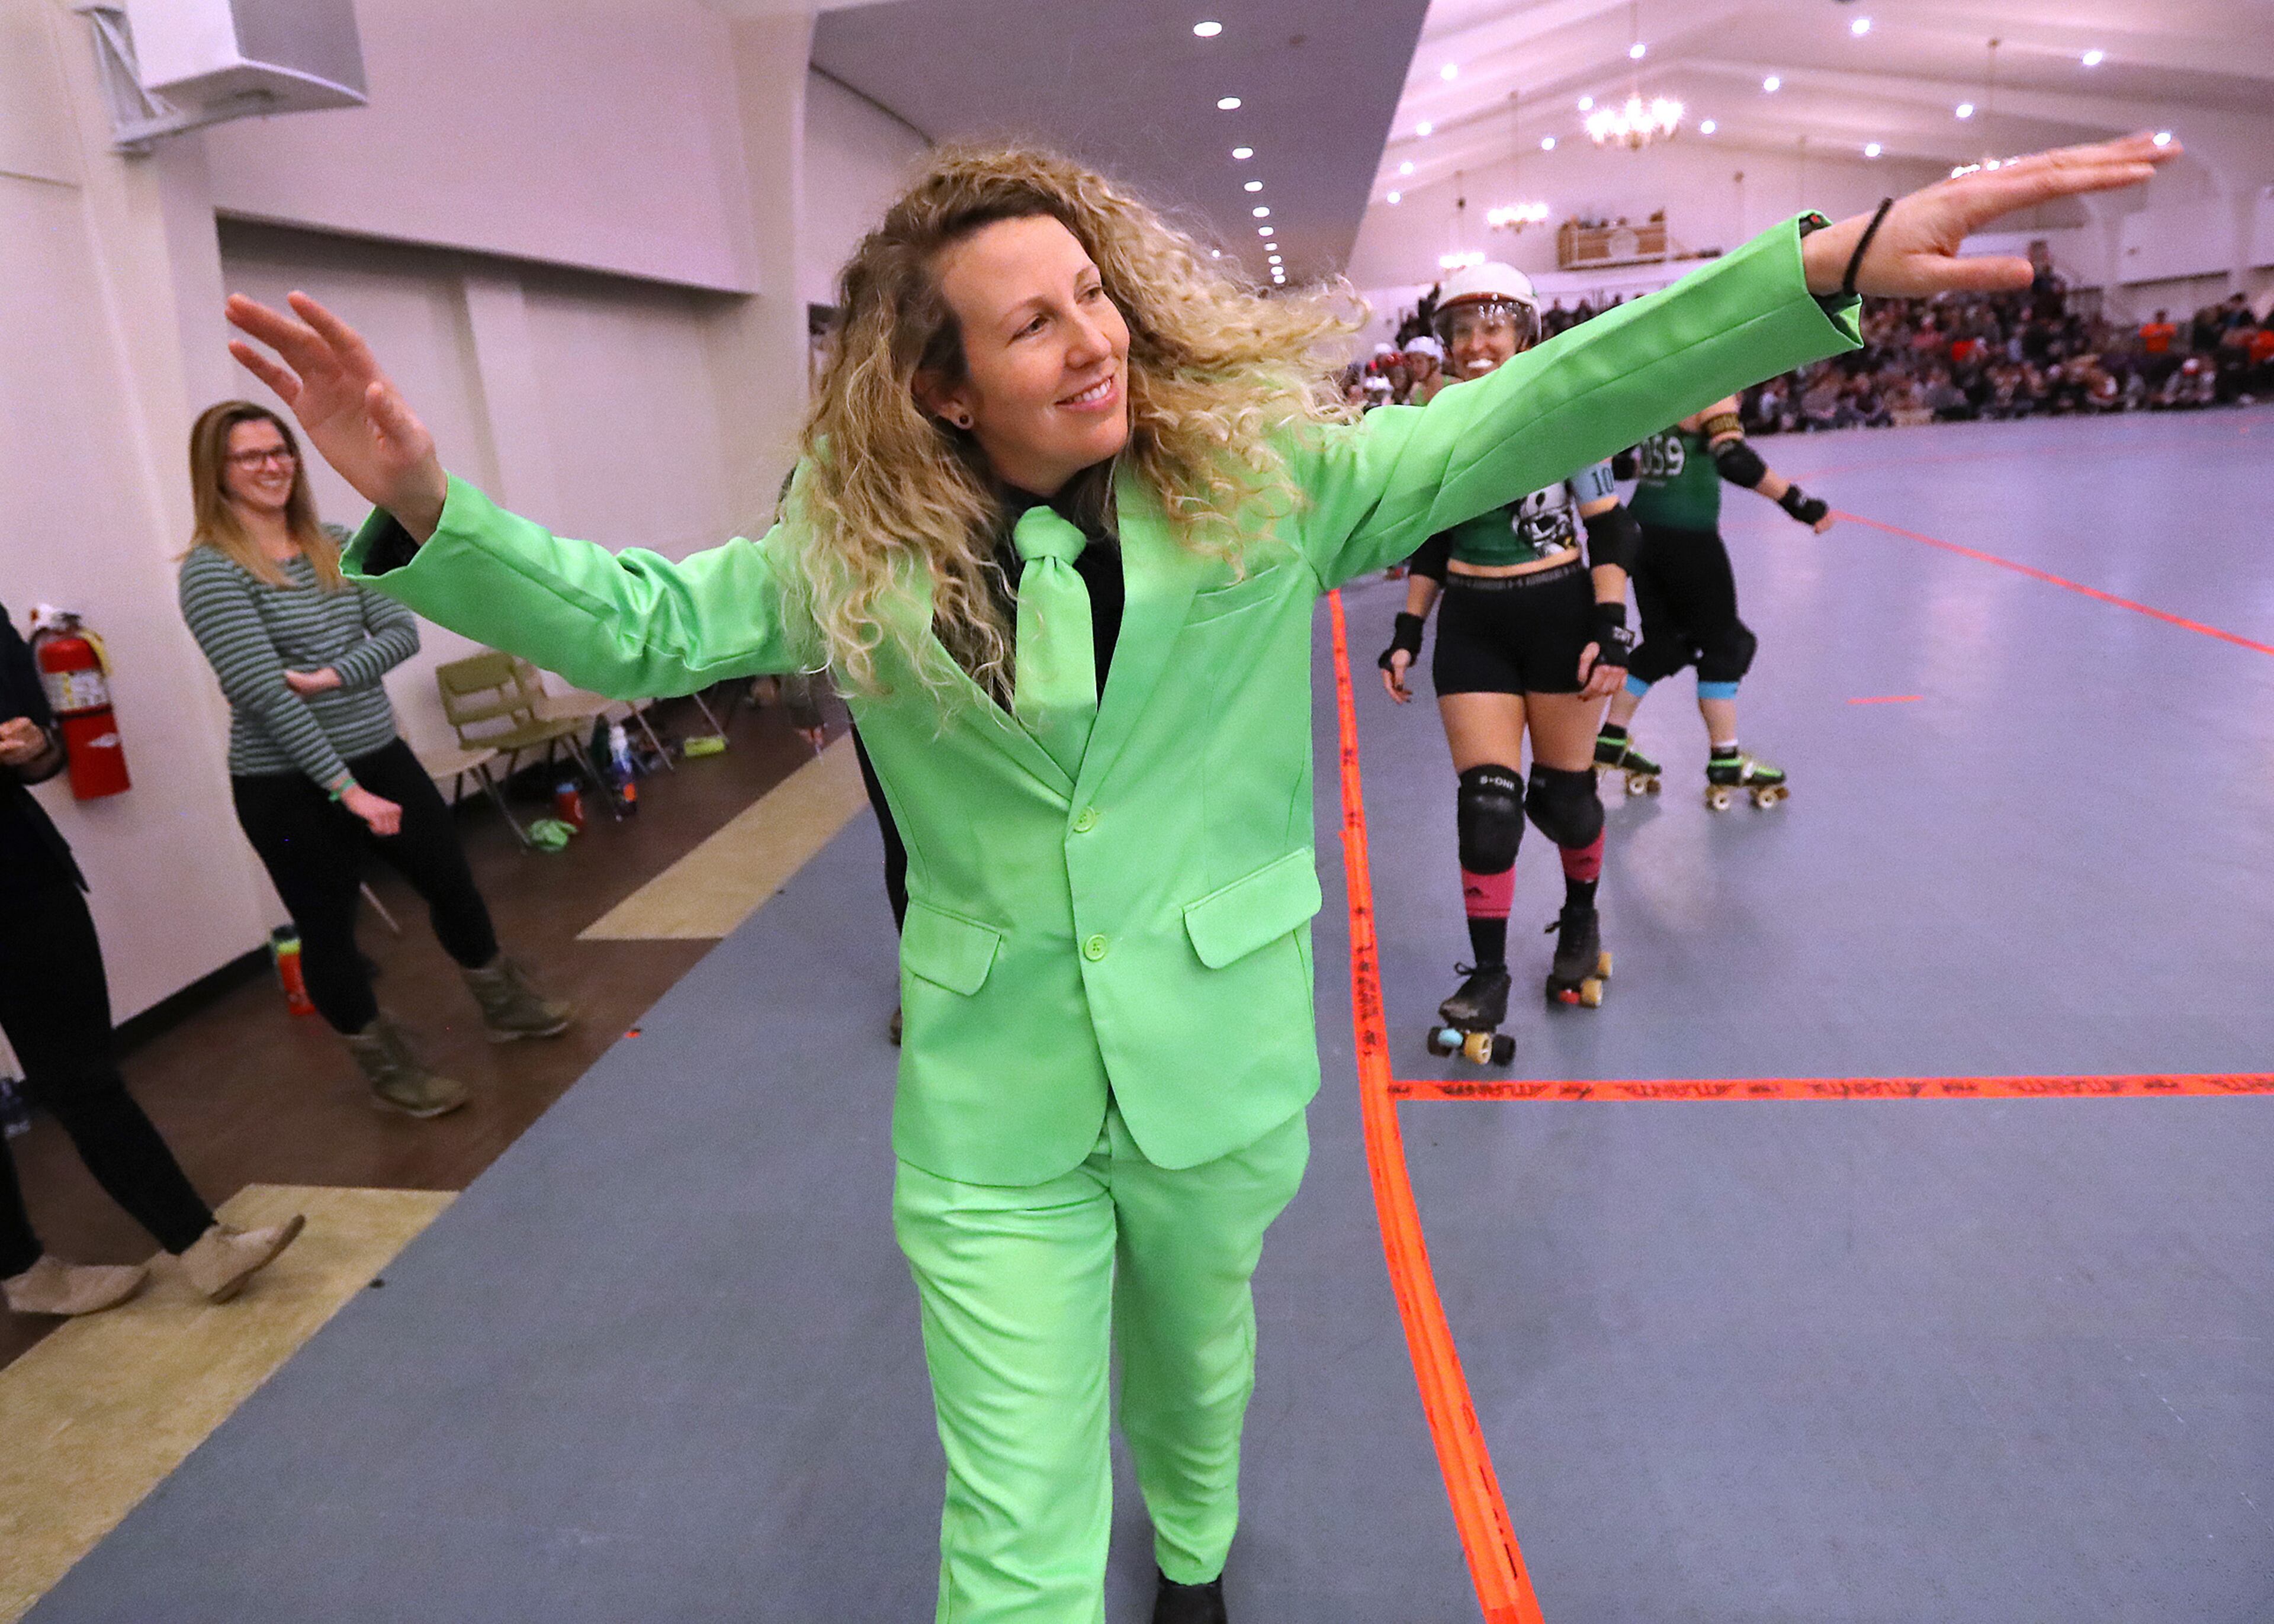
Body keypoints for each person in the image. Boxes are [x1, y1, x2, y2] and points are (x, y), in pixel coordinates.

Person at [223, 134, 2176, 1624]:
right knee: (1008, 1529)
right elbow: (640, 623)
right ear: (941, 387)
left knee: (1202, 1369)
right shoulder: (850, 540)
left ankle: (1206, 1561)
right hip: (992, 1101)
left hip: (1220, 1049)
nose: (1094, 337)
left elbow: (1538, 409)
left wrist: (1815, 269)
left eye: (1095, 292)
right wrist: (426, 505)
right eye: (1035, 320)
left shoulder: (1267, 485)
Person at [177, 403, 575, 1121]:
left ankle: (505, 1003)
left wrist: (332, 676)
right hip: (286, 782)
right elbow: (266, 695)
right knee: (328, 929)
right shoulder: (212, 573)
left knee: (451, 880)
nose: (272, 466)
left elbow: (400, 633)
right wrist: (346, 790)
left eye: (280, 451)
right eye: (250, 457)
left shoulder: (337, 543)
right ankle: (388, 1070)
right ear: (218, 473)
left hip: (378, 751)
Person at [1, 603, 302, 1316]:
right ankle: (23, 1271)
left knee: (84, 1076)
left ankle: (202, 1246)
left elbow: (46, 749)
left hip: (22, 877)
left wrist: (33, 747)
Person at [1376, 262, 1639, 1037]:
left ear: (1524, 334)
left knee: (1565, 799)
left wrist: (1610, 623)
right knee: (1488, 808)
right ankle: (1487, 976)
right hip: (1475, 622)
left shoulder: (1563, 412)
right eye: (1461, 329)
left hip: (1557, 612)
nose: (1476, 342)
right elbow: (1434, 538)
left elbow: (1611, 525)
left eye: (1492, 325)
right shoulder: (1441, 418)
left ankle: (1581, 918)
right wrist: (1407, 629)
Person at [1597, 395, 1837, 808]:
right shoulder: (1714, 387)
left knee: (1665, 645)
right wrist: (1799, 502)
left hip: (1642, 533)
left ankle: (1610, 741)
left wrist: (1649, 467)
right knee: (1728, 644)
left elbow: (1620, 462)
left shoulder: (1664, 382)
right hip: (1687, 537)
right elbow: (1733, 459)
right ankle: (1725, 758)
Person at [1399, 333, 1447, 405]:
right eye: (1412, 363)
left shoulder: (1454, 385)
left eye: (1419, 362)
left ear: (1433, 362)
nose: (1414, 368)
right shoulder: (1415, 392)